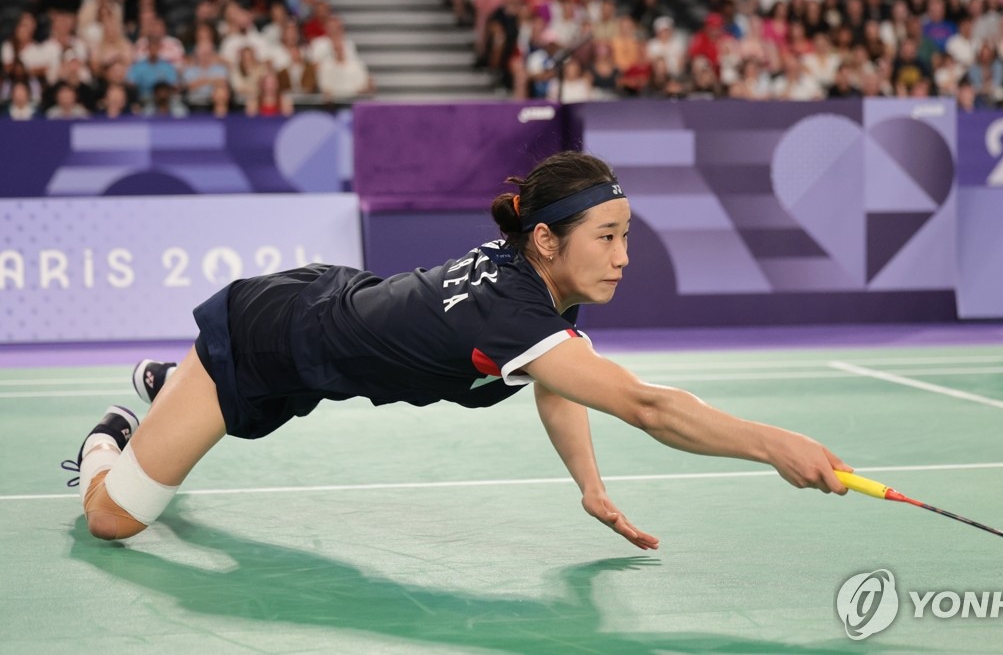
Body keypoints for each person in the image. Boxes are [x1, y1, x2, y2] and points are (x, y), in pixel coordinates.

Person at [62, 152, 852, 544]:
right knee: (115, 521)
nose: (622, 255)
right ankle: (116, 429)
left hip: (322, 336)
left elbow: (561, 375)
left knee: (190, 447)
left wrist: (590, 485)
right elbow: (646, 405)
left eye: (626, 237)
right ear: (545, 238)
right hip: (269, 336)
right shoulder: (514, 312)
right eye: (607, 237)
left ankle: (175, 381)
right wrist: (773, 443)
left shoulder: (537, 289)